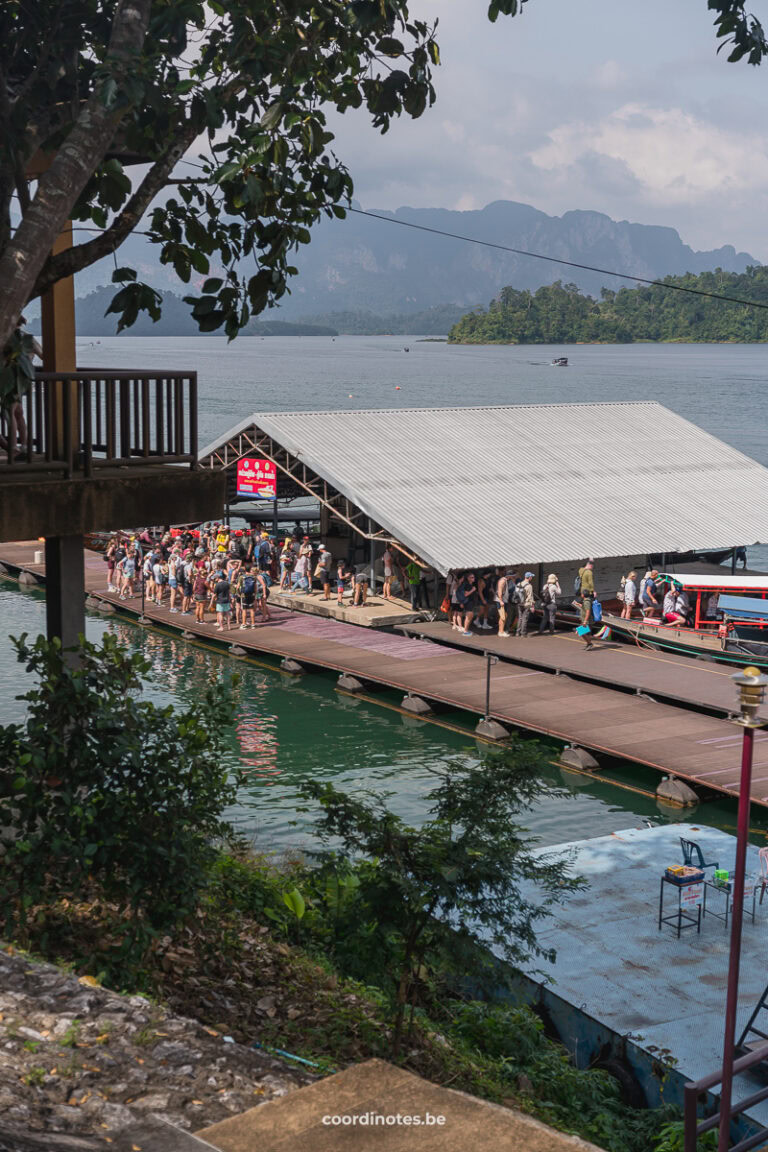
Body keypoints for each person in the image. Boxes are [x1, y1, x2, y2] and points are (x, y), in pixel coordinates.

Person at [454, 572, 477, 636]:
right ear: (468, 578)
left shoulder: (468, 585)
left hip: (469, 602)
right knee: (468, 617)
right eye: (472, 577)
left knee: (470, 616)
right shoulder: (467, 585)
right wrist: (473, 590)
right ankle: (465, 631)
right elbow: (466, 594)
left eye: (474, 577)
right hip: (468, 602)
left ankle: (466, 630)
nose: (473, 578)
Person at [515, 572, 535, 636]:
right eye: (531, 577)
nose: (532, 578)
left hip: (519, 603)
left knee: (520, 618)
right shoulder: (529, 586)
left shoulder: (519, 583)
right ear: (529, 577)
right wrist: (532, 606)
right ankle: (523, 633)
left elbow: (516, 594)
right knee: (524, 618)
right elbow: (530, 597)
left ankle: (517, 632)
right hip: (526, 604)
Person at [577, 559, 595, 627]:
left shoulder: (581, 570)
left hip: (582, 591)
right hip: (588, 592)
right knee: (588, 608)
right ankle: (588, 621)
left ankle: (583, 620)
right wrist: (593, 591)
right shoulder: (589, 572)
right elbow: (591, 583)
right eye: (592, 566)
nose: (592, 567)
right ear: (589, 565)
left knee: (584, 606)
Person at [495, 567, 510, 638]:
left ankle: (501, 631)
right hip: (501, 601)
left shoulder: (504, 580)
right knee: (503, 617)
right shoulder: (503, 580)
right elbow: (499, 591)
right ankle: (500, 632)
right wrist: (501, 601)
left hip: (504, 601)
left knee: (504, 616)